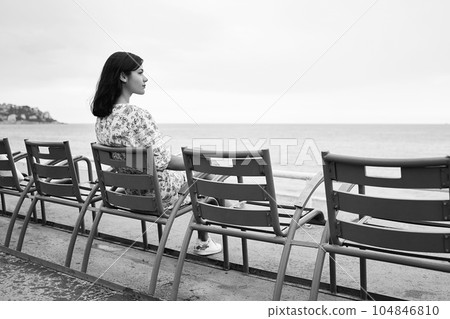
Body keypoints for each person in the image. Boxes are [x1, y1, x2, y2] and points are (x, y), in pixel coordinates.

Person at [91, 51, 222, 256]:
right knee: (205, 171)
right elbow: (164, 161)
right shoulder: (137, 115)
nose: (145, 79)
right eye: (140, 72)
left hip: (128, 194)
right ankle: (206, 238)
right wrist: (199, 160)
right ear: (123, 77)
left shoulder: (102, 119)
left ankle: (211, 229)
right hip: (157, 195)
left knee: (198, 173)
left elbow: (128, 159)